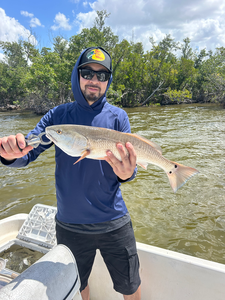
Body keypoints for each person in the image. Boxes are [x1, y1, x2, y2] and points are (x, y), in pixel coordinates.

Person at [0, 47, 141, 300]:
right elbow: (28, 152)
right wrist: (10, 154)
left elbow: (129, 172)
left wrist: (128, 173)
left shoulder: (119, 117)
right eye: (88, 72)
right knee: (77, 285)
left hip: (114, 221)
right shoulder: (57, 117)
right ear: (77, 75)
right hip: (70, 225)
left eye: (102, 75)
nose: (94, 80)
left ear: (108, 81)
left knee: (129, 286)